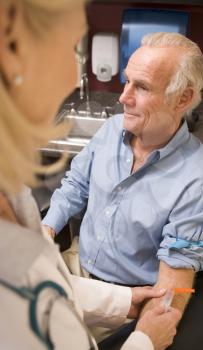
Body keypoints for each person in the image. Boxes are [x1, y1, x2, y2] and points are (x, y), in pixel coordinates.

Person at [0, 1, 181, 349]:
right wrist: (145, 342)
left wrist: (123, 301)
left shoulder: (10, 194)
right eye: (70, 48)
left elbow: (42, 283)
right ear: (13, 51)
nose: (73, 75)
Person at [43, 31, 203, 317]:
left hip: (131, 300)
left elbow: (169, 297)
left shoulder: (199, 185)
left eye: (141, 87)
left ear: (183, 98)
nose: (123, 97)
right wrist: (47, 228)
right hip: (75, 267)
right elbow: (76, 185)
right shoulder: (111, 128)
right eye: (127, 81)